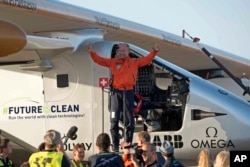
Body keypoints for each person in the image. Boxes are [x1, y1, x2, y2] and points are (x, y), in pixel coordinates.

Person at [87, 43, 159, 152]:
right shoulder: (113, 62)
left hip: (128, 92)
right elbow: (99, 60)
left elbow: (146, 60)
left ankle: (128, 143)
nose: (122, 52)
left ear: (128, 52)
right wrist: (92, 52)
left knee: (129, 120)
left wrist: (154, 52)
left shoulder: (134, 62)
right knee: (113, 120)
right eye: (120, 50)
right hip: (116, 93)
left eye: (124, 51)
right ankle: (115, 145)